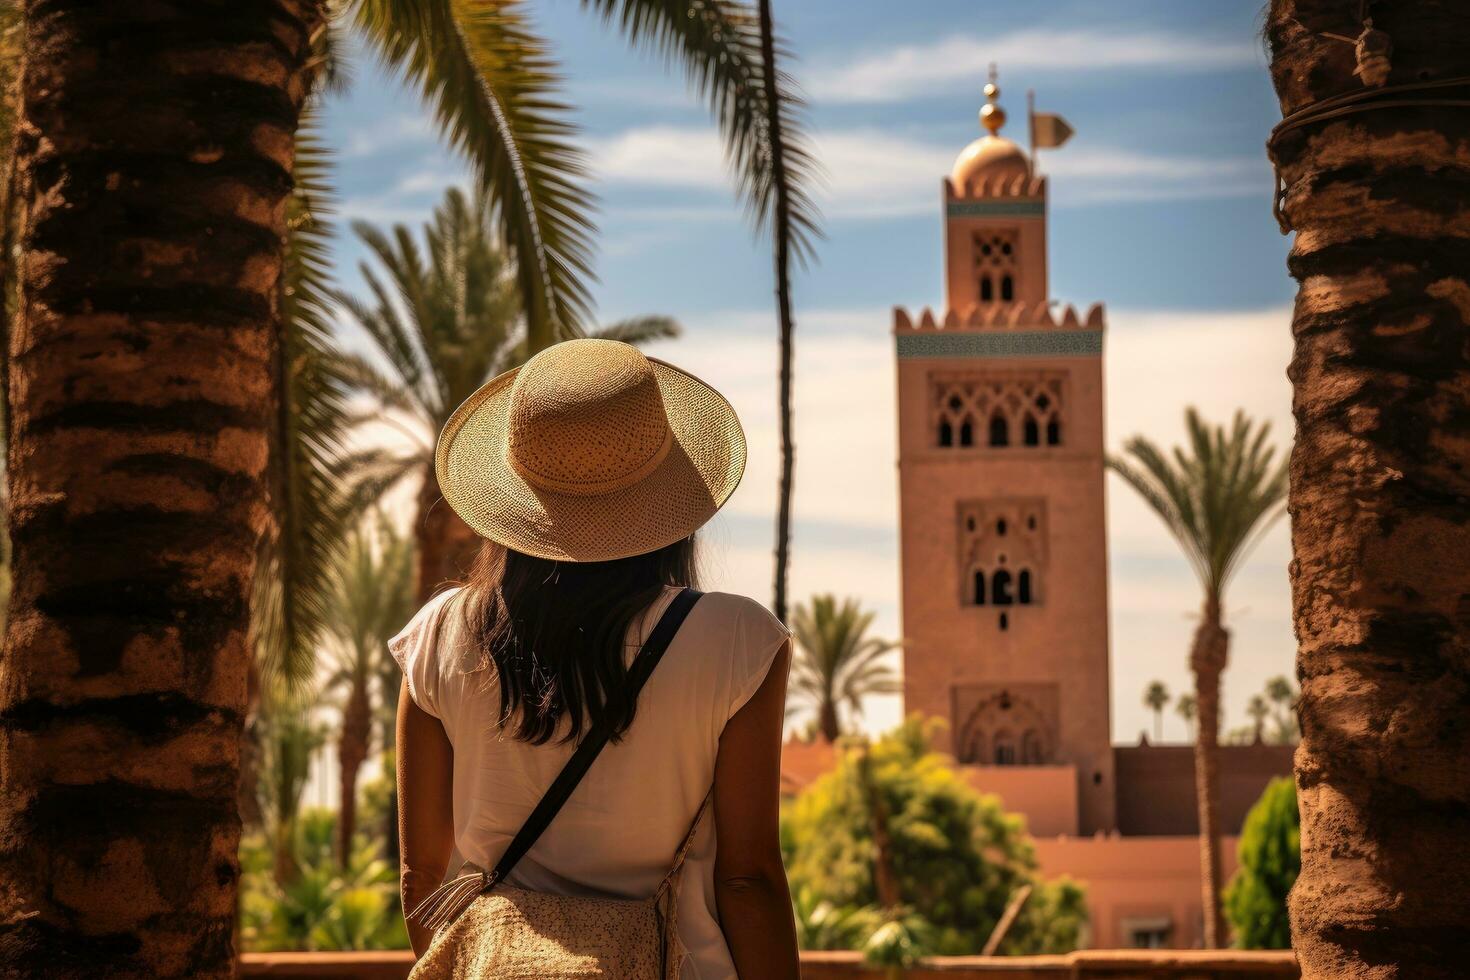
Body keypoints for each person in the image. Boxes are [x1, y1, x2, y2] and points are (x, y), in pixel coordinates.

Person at [392, 338, 799, 978]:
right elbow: (747, 880)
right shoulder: (736, 640)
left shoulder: (439, 636)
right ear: (670, 497)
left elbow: (424, 875)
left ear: (515, 494)